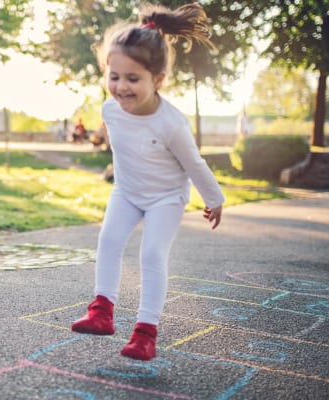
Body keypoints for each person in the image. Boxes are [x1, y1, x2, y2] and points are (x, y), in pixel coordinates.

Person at [71, 3, 224, 361]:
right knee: (108, 239)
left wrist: (214, 198)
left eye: (132, 79)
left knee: (152, 254)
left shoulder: (171, 123)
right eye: (114, 76)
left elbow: (194, 164)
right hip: (127, 191)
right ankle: (101, 313)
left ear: (158, 80)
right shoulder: (110, 110)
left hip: (166, 198)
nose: (121, 87)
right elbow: (127, 149)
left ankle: (145, 333)